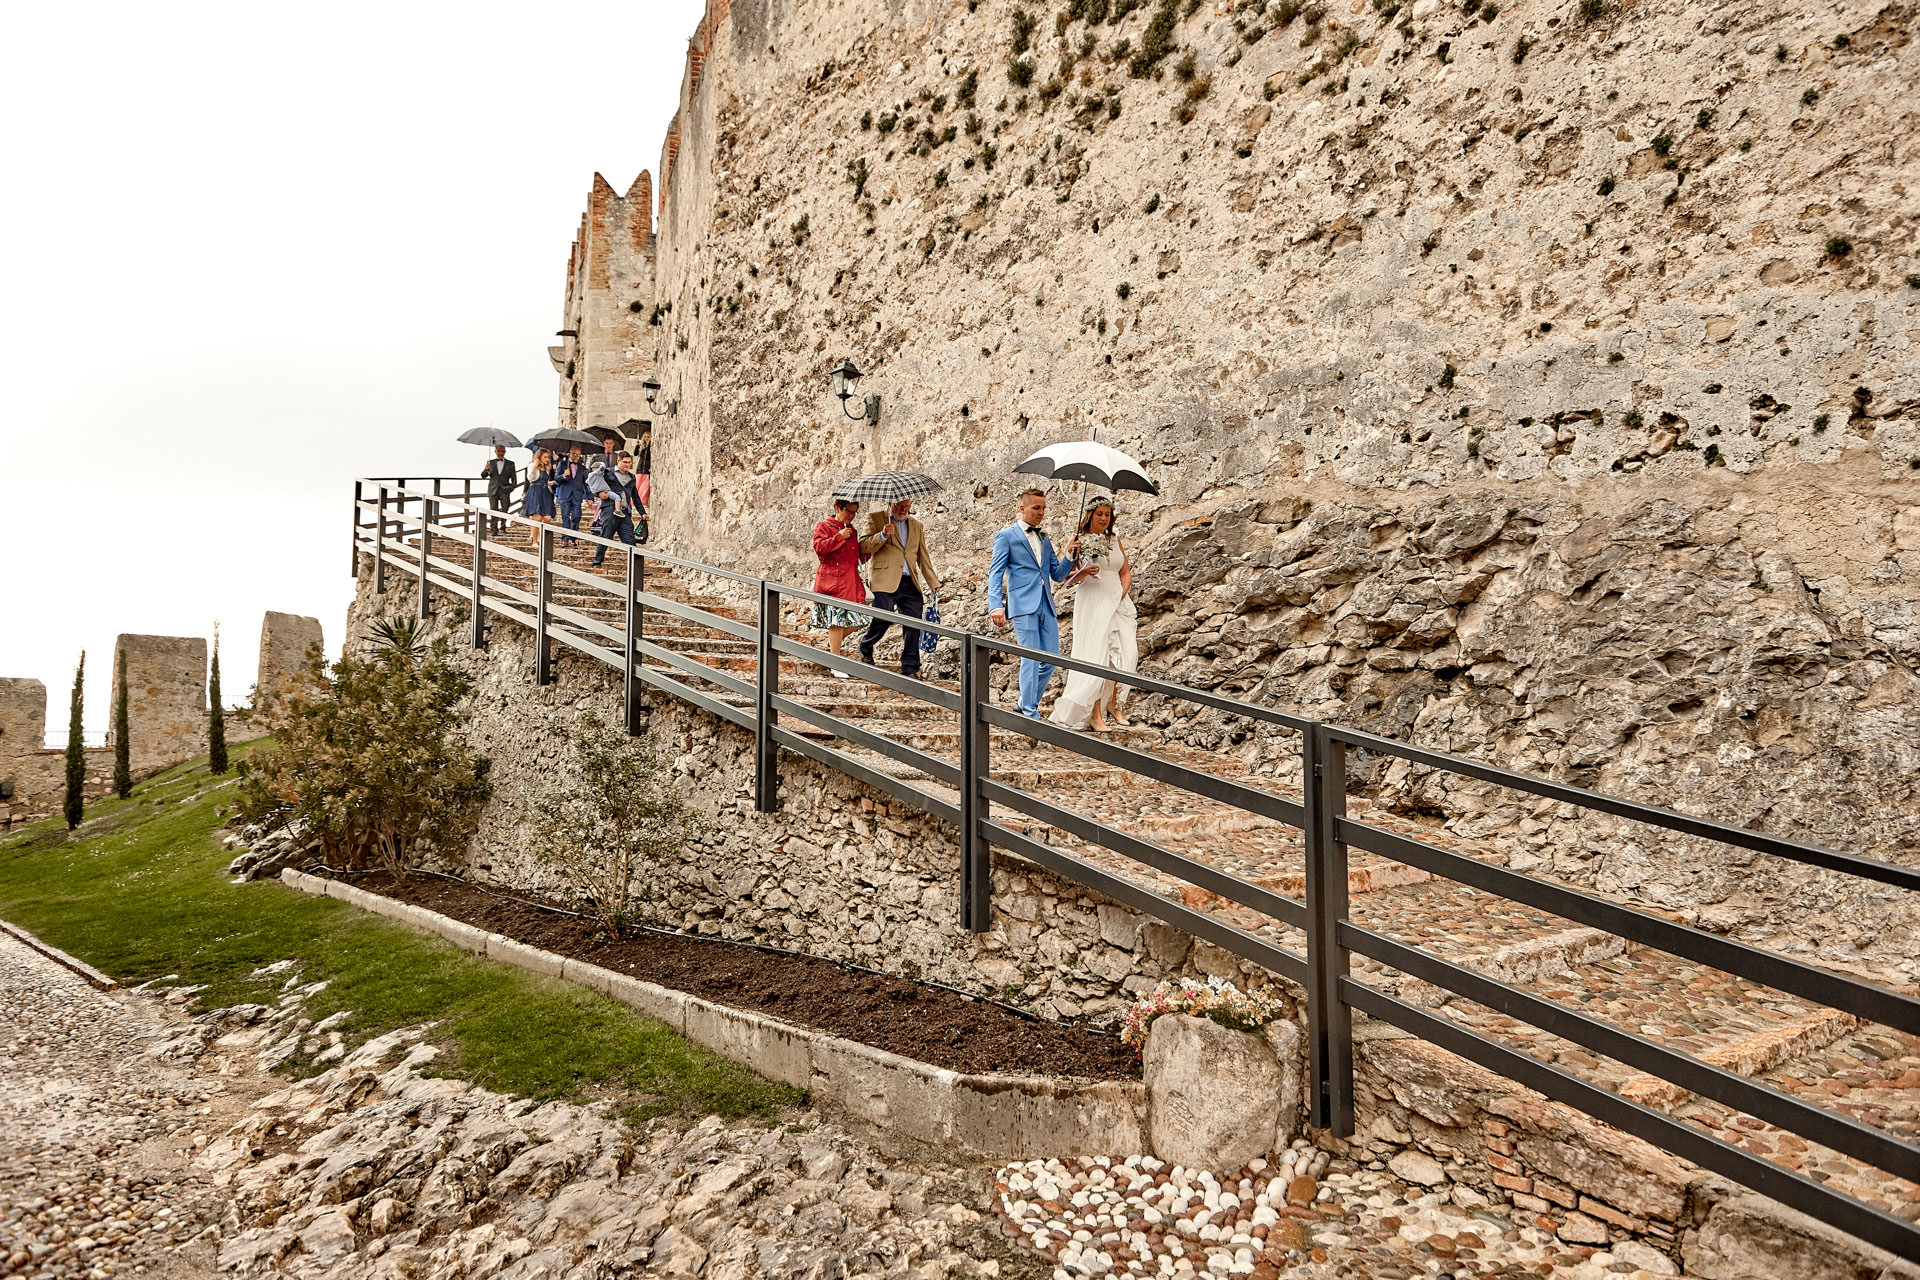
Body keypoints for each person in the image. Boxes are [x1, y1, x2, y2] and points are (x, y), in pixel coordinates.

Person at [988, 488, 1095, 718]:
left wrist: (1069, 555)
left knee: (1051, 659)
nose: (1041, 512)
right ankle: (1029, 712)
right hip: (1022, 606)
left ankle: (1023, 703)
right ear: (1022, 508)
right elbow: (995, 573)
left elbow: (1057, 575)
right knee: (1030, 658)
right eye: (1036, 508)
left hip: (1046, 604)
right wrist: (996, 605)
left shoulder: (1044, 538)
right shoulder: (1006, 536)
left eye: (1044, 508)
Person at [1049, 499, 1138, 732]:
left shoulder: (1115, 539)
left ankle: (1114, 704)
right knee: (1096, 655)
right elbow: (1065, 580)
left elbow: (1125, 572)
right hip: (1092, 601)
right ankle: (1095, 714)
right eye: (1099, 514)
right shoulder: (1077, 540)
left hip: (1117, 601)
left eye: (1107, 514)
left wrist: (1121, 594)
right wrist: (1084, 571)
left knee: (1127, 653)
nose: (1104, 518)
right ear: (1090, 515)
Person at [858, 498, 940, 679]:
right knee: (883, 616)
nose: (903, 509)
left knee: (914, 623)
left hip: (909, 581)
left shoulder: (917, 525)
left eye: (907, 506)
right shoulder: (875, 518)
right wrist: (882, 535)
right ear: (890, 503)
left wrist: (933, 582)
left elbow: (923, 556)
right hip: (883, 580)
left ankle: (910, 667)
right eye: (899, 505)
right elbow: (863, 546)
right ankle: (866, 646)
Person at [811, 497, 870, 680]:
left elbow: (855, 557)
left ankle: (832, 650)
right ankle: (835, 664)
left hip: (850, 582)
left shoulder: (852, 531)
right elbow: (819, 549)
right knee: (837, 623)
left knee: (860, 620)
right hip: (832, 581)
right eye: (848, 511)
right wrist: (839, 537)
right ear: (837, 507)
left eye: (854, 512)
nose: (851, 515)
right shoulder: (824, 526)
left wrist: (876, 544)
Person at [588, 453, 642, 567]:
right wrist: (598, 494)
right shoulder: (607, 472)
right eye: (625, 462)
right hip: (609, 509)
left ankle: (637, 568)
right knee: (606, 536)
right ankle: (597, 562)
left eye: (629, 462)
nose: (627, 465)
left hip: (624, 512)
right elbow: (592, 481)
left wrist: (642, 512)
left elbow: (635, 496)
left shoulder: (632, 477)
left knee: (630, 540)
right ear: (618, 461)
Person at [554, 444, 590, 545]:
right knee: (565, 516)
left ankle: (573, 537)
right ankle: (565, 538)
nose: (576, 457)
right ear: (570, 453)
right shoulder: (562, 464)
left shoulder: (582, 468)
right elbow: (556, 478)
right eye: (574, 454)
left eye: (578, 455)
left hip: (577, 495)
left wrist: (589, 497)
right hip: (565, 494)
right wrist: (563, 476)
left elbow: (586, 483)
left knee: (576, 516)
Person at [480, 445, 517, 536]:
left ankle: (503, 526)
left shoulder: (510, 463)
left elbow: (514, 478)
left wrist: (510, 488)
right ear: (495, 452)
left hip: (505, 489)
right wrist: (486, 469)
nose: (500, 453)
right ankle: (493, 529)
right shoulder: (490, 462)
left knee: (505, 508)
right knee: (493, 510)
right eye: (499, 451)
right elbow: (483, 476)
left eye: (502, 451)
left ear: (505, 452)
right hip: (493, 489)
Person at [522, 448, 557, 535]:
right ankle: (534, 539)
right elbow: (530, 478)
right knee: (537, 518)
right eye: (545, 457)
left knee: (547, 517)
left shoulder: (547, 467)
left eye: (548, 457)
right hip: (535, 492)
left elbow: (544, 480)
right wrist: (535, 466)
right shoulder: (532, 465)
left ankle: (540, 536)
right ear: (539, 457)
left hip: (545, 492)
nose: (547, 459)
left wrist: (549, 483)